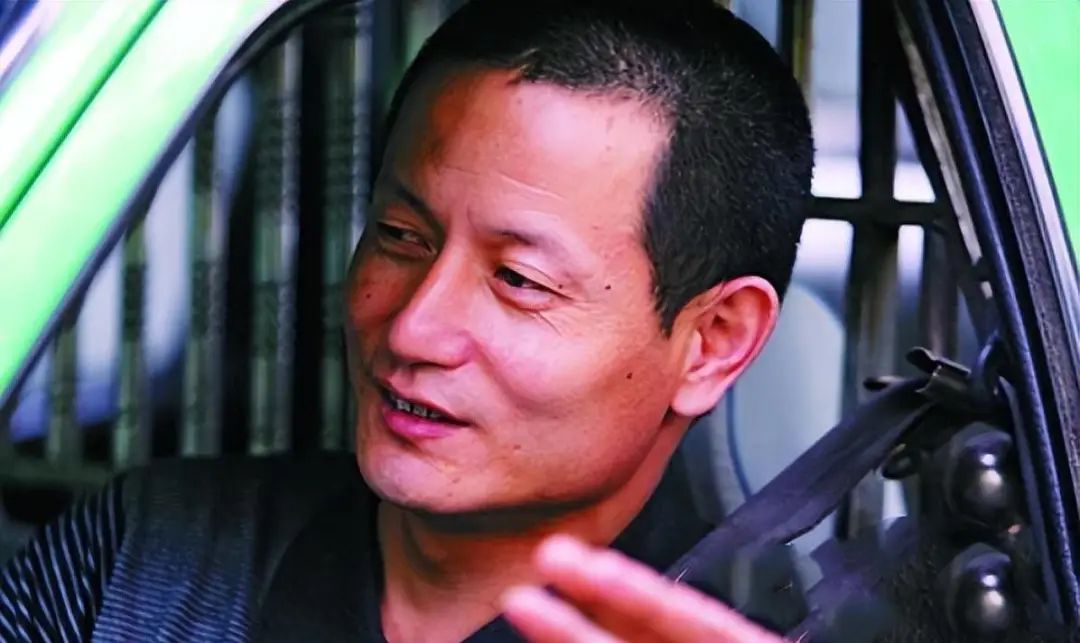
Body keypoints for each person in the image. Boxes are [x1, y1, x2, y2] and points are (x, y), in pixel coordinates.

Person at [0, 0, 812, 640]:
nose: (412, 329)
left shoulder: (773, 630)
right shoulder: (142, 565)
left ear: (713, 341)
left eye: (519, 280)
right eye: (399, 236)